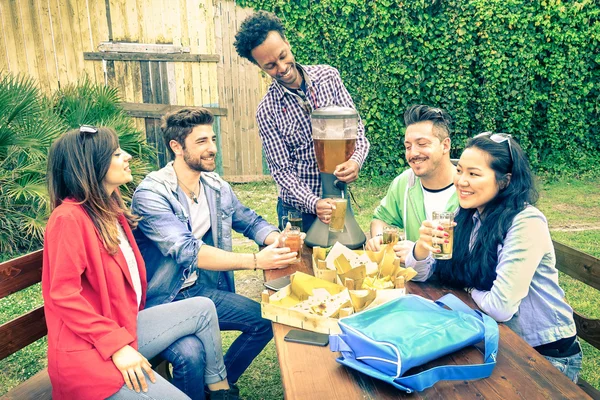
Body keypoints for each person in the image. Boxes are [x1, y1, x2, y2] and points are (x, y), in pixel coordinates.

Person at [42, 126, 235, 400]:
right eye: (117, 153)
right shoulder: (68, 219)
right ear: (91, 164)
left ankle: (221, 392)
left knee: (204, 308)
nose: (128, 156)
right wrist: (117, 347)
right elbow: (63, 295)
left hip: (123, 327)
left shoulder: (111, 212)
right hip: (89, 353)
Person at [131, 108, 298, 394]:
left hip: (200, 291)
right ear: (177, 147)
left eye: (212, 139)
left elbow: (249, 221)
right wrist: (256, 260)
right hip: (162, 301)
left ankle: (216, 389)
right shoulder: (152, 194)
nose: (212, 149)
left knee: (264, 321)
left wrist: (276, 238)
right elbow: (188, 251)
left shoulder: (215, 186)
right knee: (191, 355)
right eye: (201, 142)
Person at [406, 132, 582, 382]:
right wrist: (421, 250)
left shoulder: (525, 223)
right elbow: (423, 273)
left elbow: (500, 307)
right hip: (495, 338)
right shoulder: (467, 214)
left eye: (474, 174)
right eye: (460, 171)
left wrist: (467, 288)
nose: (461, 181)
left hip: (545, 356)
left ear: (504, 181)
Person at [234, 10, 370, 232]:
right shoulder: (267, 111)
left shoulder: (329, 78)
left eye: (282, 55)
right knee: (301, 268)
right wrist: (314, 203)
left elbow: (358, 134)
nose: (281, 68)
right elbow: (281, 171)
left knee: (346, 264)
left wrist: (355, 161)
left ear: (287, 42)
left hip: (339, 200)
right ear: (259, 66)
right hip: (297, 214)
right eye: (270, 66)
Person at [366, 105, 458, 264]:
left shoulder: (467, 187)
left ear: (445, 145)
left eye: (422, 144)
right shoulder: (404, 182)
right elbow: (381, 219)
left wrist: (418, 252)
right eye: (408, 146)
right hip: (418, 284)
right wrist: (379, 238)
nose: (413, 153)